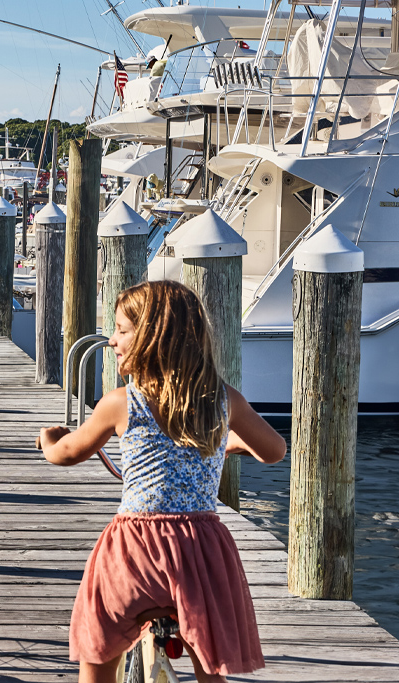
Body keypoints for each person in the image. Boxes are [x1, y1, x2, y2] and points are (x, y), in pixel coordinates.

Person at [37, 280, 286, 683]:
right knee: (210, 668)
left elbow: (68, 454)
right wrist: (224, 443)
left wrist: (49, 440)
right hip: (199, 554)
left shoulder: (120, 403)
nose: (113, 340)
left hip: (135, 553)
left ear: (152, 337)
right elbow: (274, 450)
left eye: (120, 330)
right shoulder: (224, 400)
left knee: (97, 652)